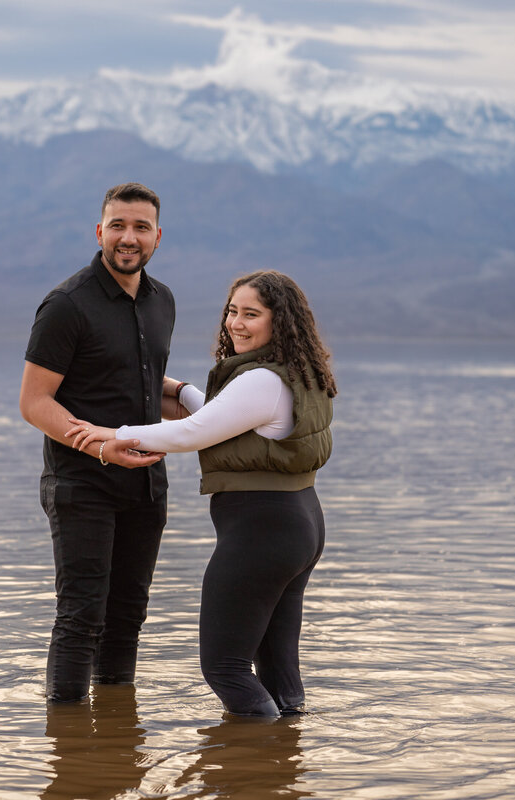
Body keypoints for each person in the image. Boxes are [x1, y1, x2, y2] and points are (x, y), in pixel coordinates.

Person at [69, 270, 335, 717]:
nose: (236, 323)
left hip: (262, 534)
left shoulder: (261, 381)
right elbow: (225, 417)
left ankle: (252, 759)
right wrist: (180, 389)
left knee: (224, 667)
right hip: (298, 525)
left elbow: (195, 432)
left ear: (280, 321)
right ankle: (285, 762)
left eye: (252, 314)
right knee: (276, 663)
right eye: (232, 311)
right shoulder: (294, 373)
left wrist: (110, 434)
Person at [19, 182, 176, 704]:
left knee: (128, 614)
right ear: (99, 231)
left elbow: (145, 379)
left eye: (140, 227)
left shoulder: (162, 301)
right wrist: (99, 448)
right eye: (118, 226)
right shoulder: (67, 305)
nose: (128, 238)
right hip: (82, 483)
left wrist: (209, 401)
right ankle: (66, 747)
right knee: (82, 614)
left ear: (157, 236)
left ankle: (114, 743)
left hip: (147, 484)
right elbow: (35, 402)